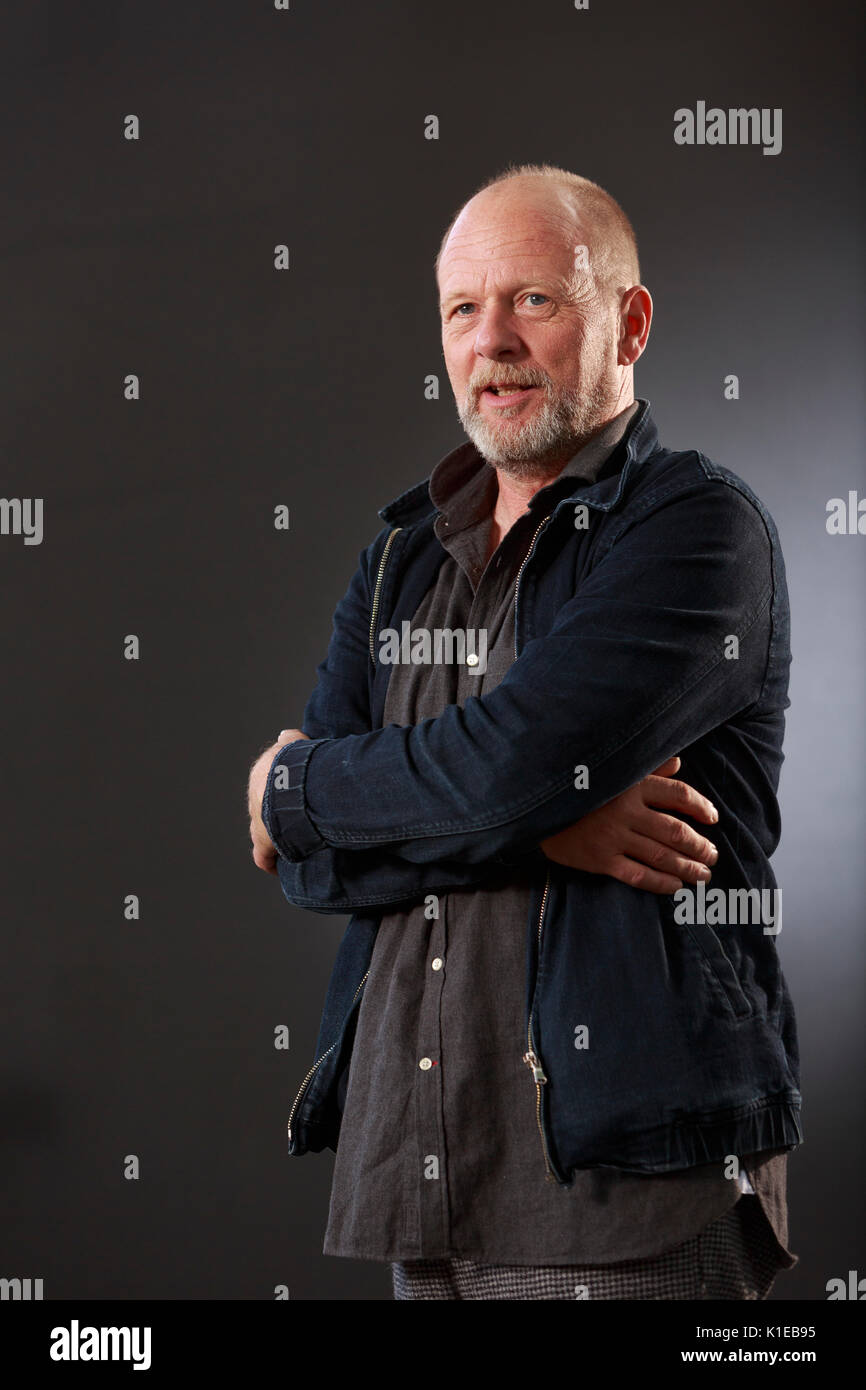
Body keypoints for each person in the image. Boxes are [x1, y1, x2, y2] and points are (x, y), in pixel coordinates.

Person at [247, 163, 802, 1300]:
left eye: (533, 301)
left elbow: (504, 763)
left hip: (623, 1186)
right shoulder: (399, 557)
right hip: (417, 1170)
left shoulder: (698, 530)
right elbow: (313, 868)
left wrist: (296, 789)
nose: (489, 338)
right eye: (462, 307)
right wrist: (545, 829)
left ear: (627, 322)